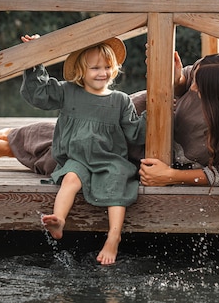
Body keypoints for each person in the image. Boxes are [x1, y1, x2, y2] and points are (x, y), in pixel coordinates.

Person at [0, 51, 219, 196]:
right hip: (146, 116)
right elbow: (183, 85)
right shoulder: (205, 72)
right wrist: (176, 77)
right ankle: (12, 140)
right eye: (195, 79)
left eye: (199, 87)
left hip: (164, 152)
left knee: (84, 160)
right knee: (86, 136)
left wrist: (171, 176)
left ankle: (11, 144)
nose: (194, 85)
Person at [18, 34, 147, 265]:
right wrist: (33, 58)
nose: (102, 72)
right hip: (77, 158)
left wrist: (155, 114)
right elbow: (39, 94)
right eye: (95, 67)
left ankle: (114, 237)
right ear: (80, 70)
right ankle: (58, 220)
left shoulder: (120, 100)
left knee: (117, 180)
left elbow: (135, 132)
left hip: (110, 159)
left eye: (107, 67)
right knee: (71, 178)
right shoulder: (68, 92)